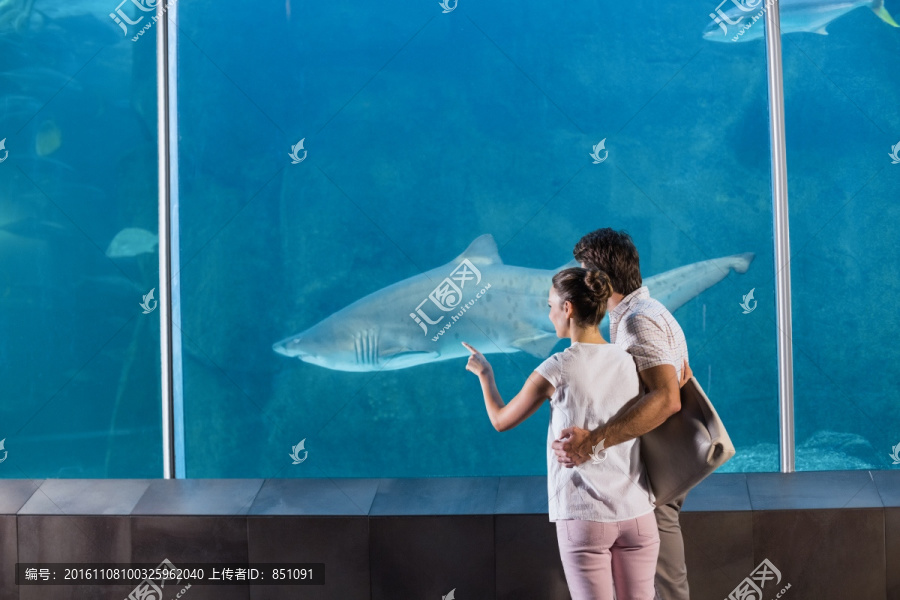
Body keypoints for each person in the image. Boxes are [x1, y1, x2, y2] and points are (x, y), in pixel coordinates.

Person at [464, 267, 659, 600]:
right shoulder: (628, 360)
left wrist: (485, 374)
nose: (549, 312)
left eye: (551, 304)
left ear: (567, 309)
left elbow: (501, 420)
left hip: (586, 518)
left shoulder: (556, 367)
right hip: (639, 515)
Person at [551, 228, 692, 600]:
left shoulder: (636, 320)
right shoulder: (650, 310)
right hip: (656, 463)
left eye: (584, 272)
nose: (582, 282)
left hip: (650, 472)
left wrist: (592, 443)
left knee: (668, 584)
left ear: (601, 277)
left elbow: (667, 399)